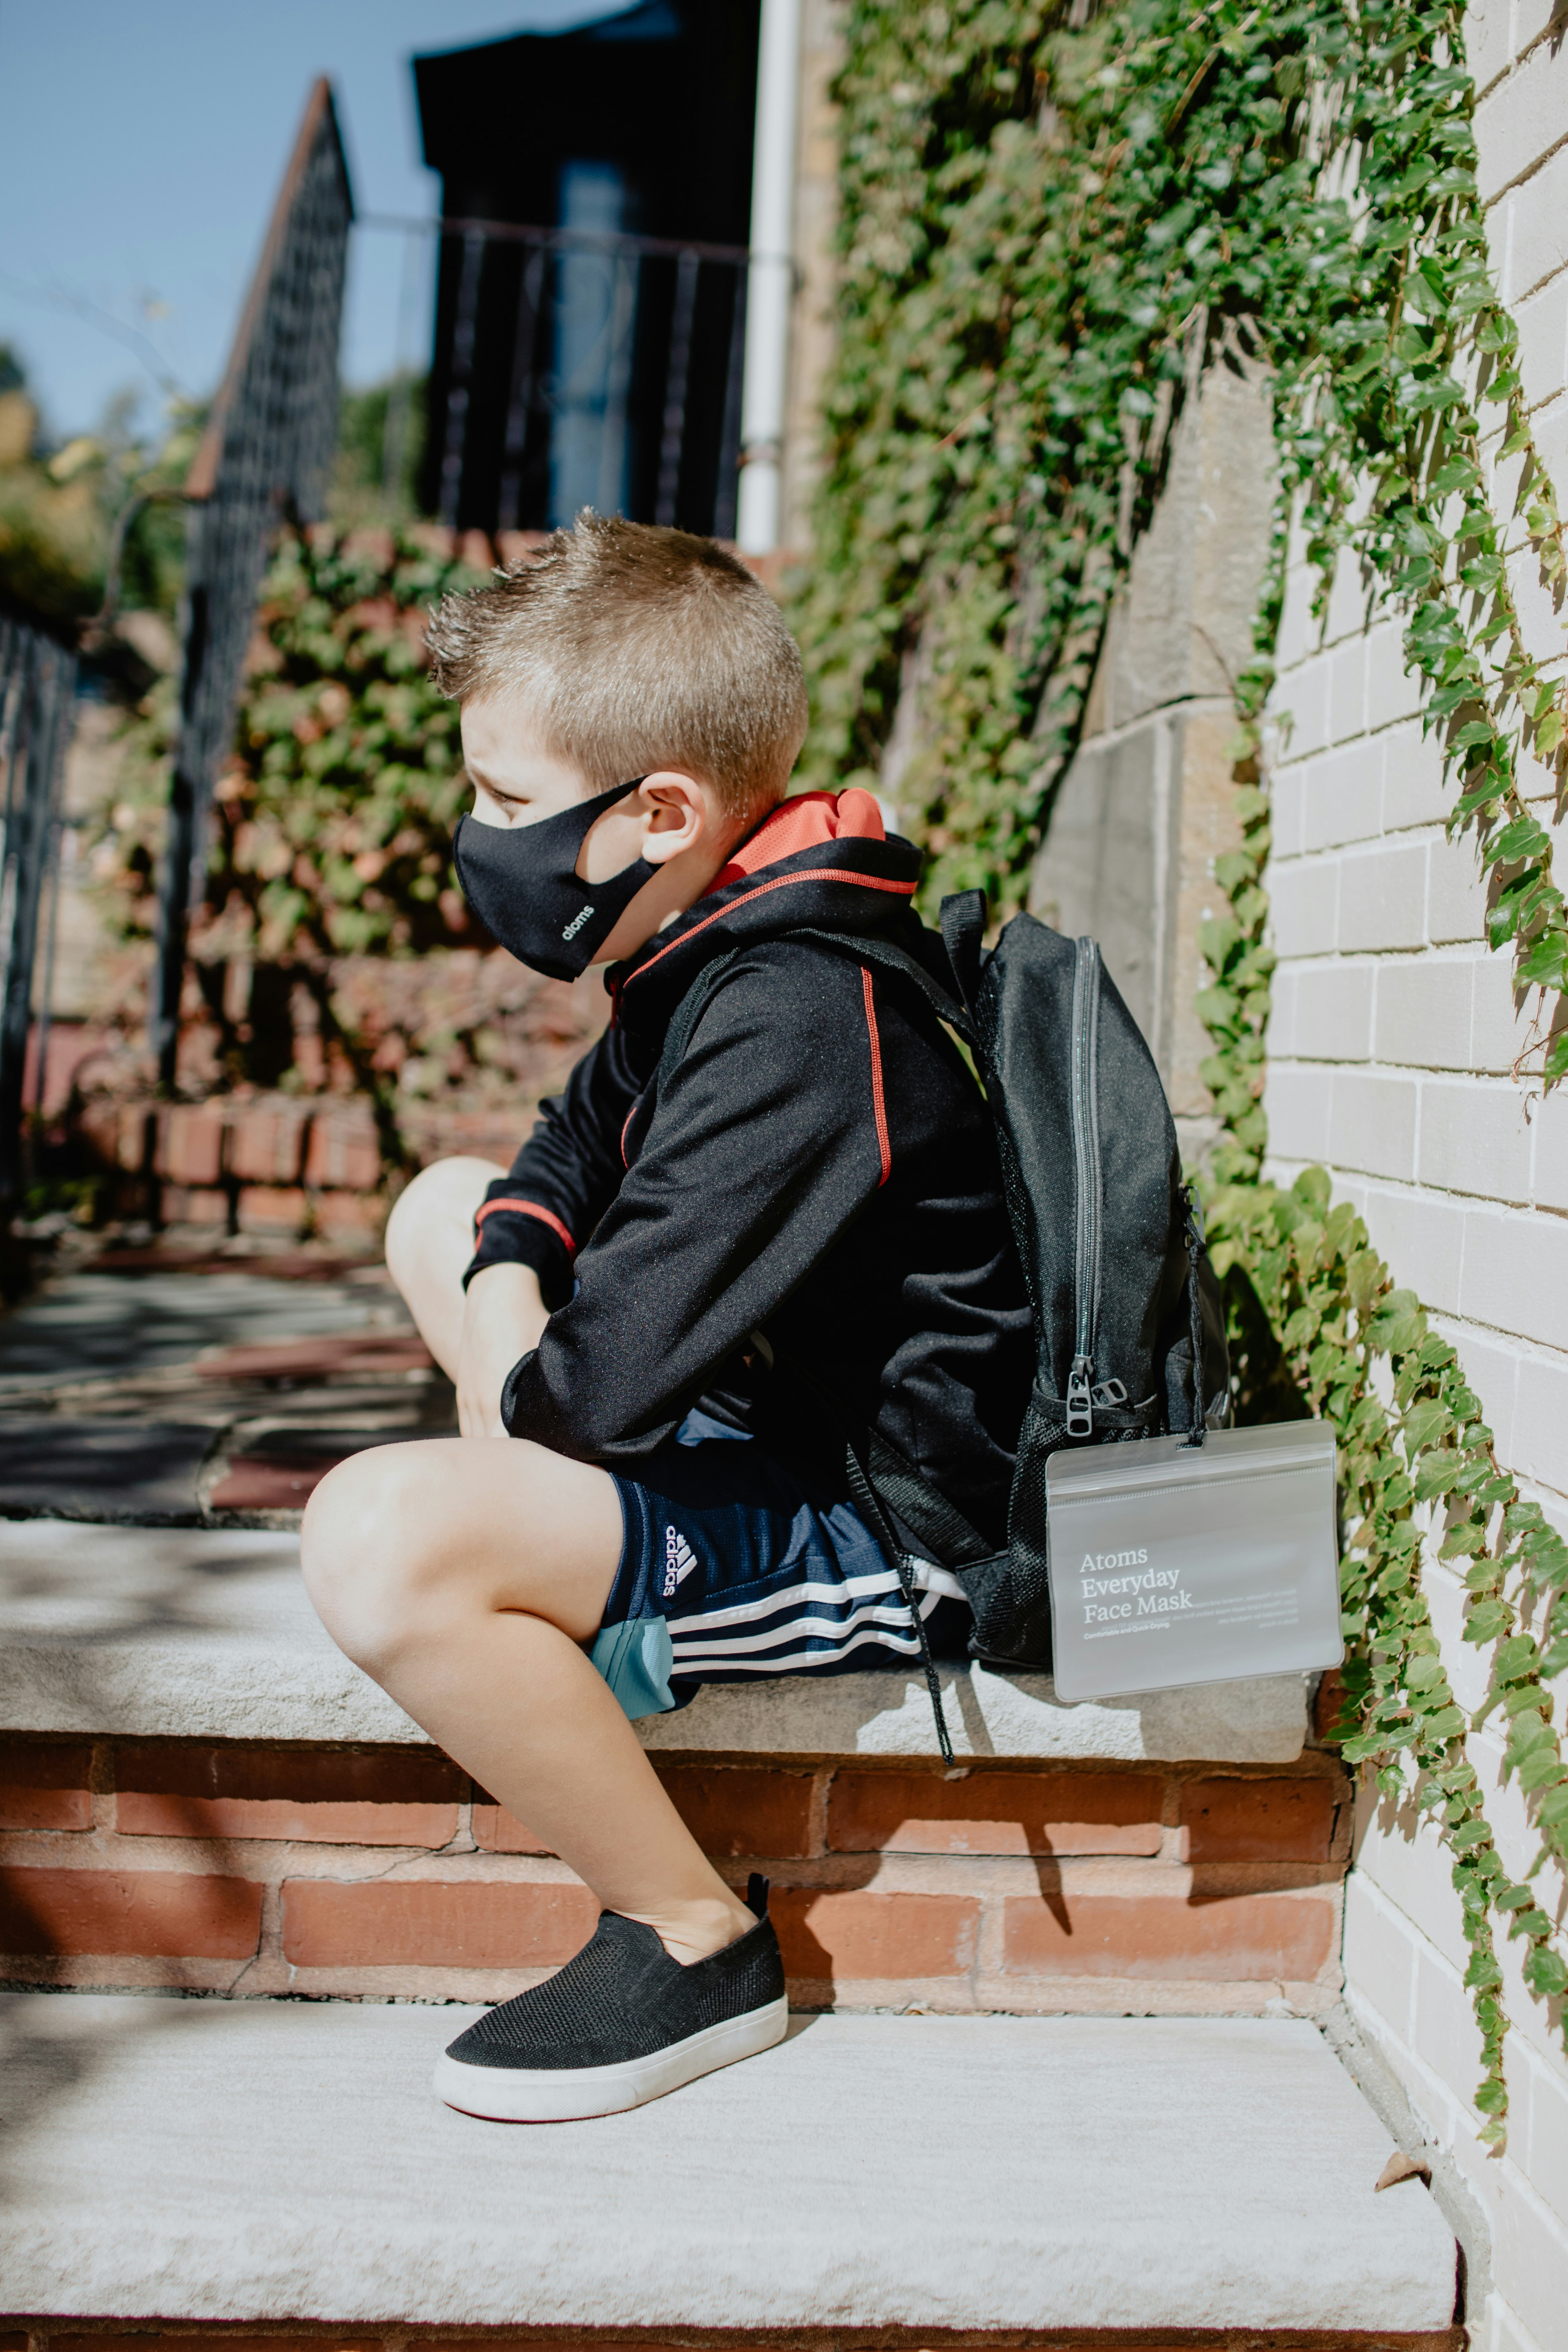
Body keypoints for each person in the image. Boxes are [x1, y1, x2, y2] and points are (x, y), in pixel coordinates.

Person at [300, 514, 1031, 2122]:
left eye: (505, 800)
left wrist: (515, 1426)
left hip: (877, 1530)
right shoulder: (713, 928)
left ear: (660, 813)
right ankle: (549, 1595)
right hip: (738, 1416)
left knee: (378, 1537)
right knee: (447, 1206)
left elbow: (582, 1400)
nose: (475, 829)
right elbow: (560, 1152)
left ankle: (694, 1935)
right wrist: (508, 1299)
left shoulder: (800, 1016)